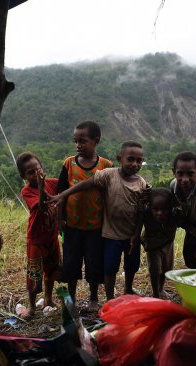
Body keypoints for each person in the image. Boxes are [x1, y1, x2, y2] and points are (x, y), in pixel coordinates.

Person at [50, 141, 148, 301]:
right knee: (109, 268)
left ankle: (128, 289)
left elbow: (141, 211)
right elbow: (86, 184)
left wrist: (137, 234)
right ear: (119, 159)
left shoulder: (141, 183)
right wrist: (63, 194)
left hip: (131, 236)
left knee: (131, 266)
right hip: (110, 235)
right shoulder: (109, 174)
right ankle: (110, 299)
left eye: (139, 160)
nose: (135, 164)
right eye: (130, 159)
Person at [57, 121, 113, 311]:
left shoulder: (106, 165)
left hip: (95, 227)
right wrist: (59, 219)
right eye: (76, 141)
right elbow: (61, 193)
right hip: (72, 225)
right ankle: (70, 298)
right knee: (71, 264)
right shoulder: (69, 163)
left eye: (83, 141)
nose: (78, 145)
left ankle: (93, 298)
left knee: (93, 264)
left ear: (95, 141)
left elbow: (109, 196)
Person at [16, 152, 62, 319]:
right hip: (36, 240)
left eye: (38, 168)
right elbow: (42, 207)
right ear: (24, 176)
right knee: (34, 274)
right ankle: (31, 307)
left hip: (51, 237)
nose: (36, 174)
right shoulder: (26, 191)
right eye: (30, 172)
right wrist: (42, 188)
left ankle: (48, 300)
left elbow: (67, 186)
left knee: (51, 270)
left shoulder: (52, 183)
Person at [133, 187, 180, 298]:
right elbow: (139, 222)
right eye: (156, 209)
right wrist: (136, 237)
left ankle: (161, 288)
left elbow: (183, 208)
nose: (160, 213)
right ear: (150, 207)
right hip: (152, 245)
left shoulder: (175, 215)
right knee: (155, 269)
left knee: (166, 268)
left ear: (170, 208)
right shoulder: (146, 214)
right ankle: (155, 293)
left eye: (164, 209)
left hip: (168, 243)